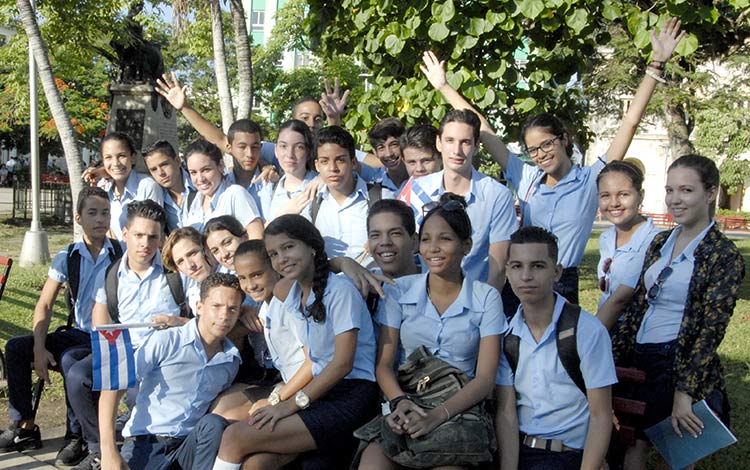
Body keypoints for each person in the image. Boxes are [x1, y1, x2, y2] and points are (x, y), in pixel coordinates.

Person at [419, 18, 684, 304]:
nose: (541, 154)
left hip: (561, 282)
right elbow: (483, 129)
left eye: (547, 144)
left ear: (564, 140)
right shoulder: (527, 177)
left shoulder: (590, 181)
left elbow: (629, 122)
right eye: (533, 149)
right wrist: (443, 86)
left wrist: (656, 64)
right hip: (521, 278)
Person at [212, 215, 379, 470]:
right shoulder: (292, 292)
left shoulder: (340, 291)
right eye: (274, 254)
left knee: (235, 437)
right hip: (319, 393)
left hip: (350, 395)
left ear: (311, 245)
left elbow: (342, 364)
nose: (282, 258)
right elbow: (262, 288)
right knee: (257, 464)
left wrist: (289, 404)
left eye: (289, 247)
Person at [611, 155, 745, 470]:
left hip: (678, 362)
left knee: (676, 453)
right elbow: (639, 306)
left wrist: (685, 391)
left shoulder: (723, 255)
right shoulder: (660, 242)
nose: (675, 199)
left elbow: (710, 331)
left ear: (710, 193)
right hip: (641, 357)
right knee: (634, 445)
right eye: (670, 190)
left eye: (686, 190)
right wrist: (612, 356)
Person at [358, 194, 505, 470]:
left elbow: (485, 379)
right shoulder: (398, 291)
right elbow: (384, 366)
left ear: (467, 245)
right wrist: (400, 402)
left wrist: (436, 416)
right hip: (406, 404)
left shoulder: (486, 298)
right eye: (426, 239)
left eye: (445, 239)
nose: (433, 248)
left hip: (458, 411)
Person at [0, 187, 120, 467]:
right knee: (17, 347)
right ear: (78, 218)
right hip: (80, 332)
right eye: (92, 213)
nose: (100, 219)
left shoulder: (121, 254)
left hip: (107, 337)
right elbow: (44, 305)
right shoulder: (67, 256)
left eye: (105, 213)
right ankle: (24, 426)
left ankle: (77, 436)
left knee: (69, 361)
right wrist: (39, 348)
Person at [66, 200, 185, 470]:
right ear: (124, 234)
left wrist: (176, 322)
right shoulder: (111, 274)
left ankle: (136, 446)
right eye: (139, 235)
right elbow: (101, 315)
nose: (145, 243)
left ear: (162, 237)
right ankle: (102, 449)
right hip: (123, 350)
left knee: (136, 393)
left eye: (153, 236)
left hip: (164, 358)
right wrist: (105, 346)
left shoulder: (174, 273)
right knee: (79, 376)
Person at [495, 226, 617, 470]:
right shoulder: (507, 335)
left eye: (538, 266)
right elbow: (506, 414)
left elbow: (601, 415)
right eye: (517, 266)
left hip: (570, 455)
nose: (526, 276)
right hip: (522, 452)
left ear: (557, 272)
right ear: (507, 271)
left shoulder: (587, 331)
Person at [117, 273, 244, 470]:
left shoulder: (231, 361)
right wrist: (107, 449)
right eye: (216, 306)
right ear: (199, 306)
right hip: (147, 444)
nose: (224, 315)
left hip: (187, 447)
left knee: (213, 424)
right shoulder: (166, 341)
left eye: (232, 309)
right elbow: (115, 387)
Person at [399, 109, 517, 294]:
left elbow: (498, 269)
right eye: (450, 140)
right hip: (423, 301)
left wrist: (483, 311)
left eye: (465, 142)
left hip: (475, 300)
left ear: (477, 146)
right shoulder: (416, 189)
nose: (457, 150)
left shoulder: (497, 195)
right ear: (439, 143)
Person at [595, 161, 661, 330]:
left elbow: (621, 298)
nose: (614, 203)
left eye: (623, 194)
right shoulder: (606, 238)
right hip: (606, 327)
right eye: (605, 195)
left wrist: (589, 337)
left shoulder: (654, 240)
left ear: (641, 195)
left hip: (636, 334)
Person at [312, 126, 378, 265]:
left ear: (353, 162)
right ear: (317, 165)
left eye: (340, 160)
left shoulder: (379, 198)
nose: (332, 168)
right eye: (325, 161)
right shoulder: (310, 203)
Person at [183, 139, 264, 238]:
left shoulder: (235, 194)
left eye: (206, 170)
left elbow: (256, 238)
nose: (200, 179)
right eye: (193, 172)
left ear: (221, 165)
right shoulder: (191, 201)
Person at [98, 132, 163, 239]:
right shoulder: (102, 187)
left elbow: (154, 231)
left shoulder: (147, 186)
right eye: (108, 157)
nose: (115, 163)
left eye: (121, 156)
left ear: (133, 158)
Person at [260, 119, 318, 222]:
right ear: (276, 150)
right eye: (283, 146)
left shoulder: (320, 187)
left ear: (308, 152)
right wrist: (283, 214)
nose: (290, 154)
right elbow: (264, 233)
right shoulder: (270, 187)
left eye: (299, 147)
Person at [143, 140, 196, 233]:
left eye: (164, 165)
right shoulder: (157, 197)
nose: (161, 173)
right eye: (154, 169)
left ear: (177, 161)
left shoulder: (198, 183)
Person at [162, 226, 216, 314]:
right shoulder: (193, 295)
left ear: (205, 247)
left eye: (192, 254)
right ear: (178, 269)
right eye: (180, 262)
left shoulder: (234, 273)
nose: (190, 265)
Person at [366, 199, 420, 279]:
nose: (385, 242)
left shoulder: (440, 279)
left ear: (414, 241)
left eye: (395, 234)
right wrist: (342, 263)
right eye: (375, 235)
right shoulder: (358, 287)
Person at [367, 118, 409, 197]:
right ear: (375, 152)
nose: (389, 154)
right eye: (381, 147)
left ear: (404, 144)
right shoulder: (373, 181)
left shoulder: (418, 176)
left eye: (394, 144)